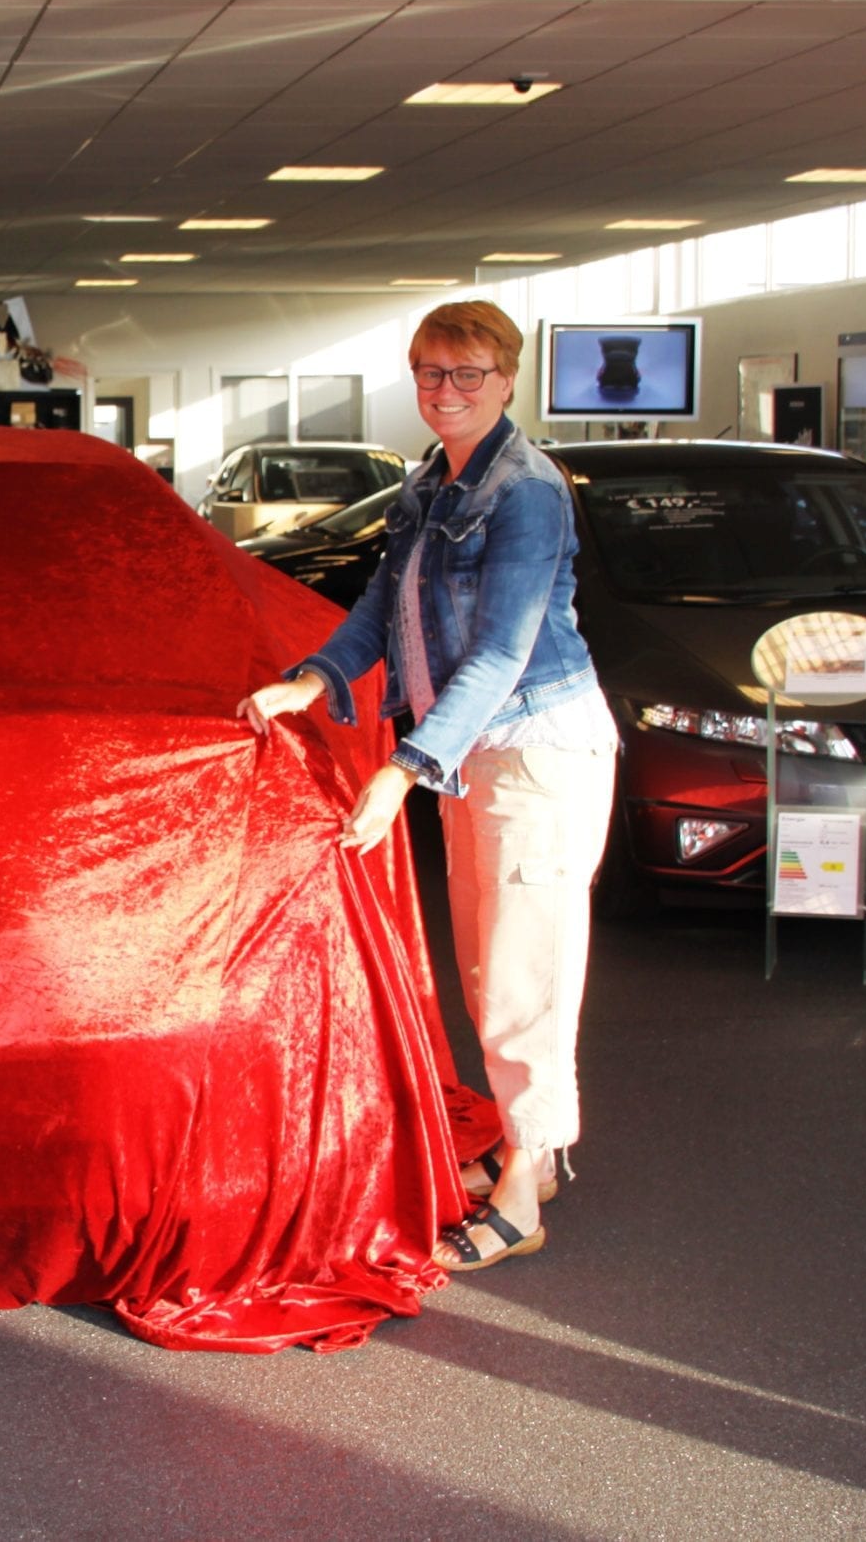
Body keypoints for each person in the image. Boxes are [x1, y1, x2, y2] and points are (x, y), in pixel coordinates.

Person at [239, 300, 615, 1275]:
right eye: (430, 373)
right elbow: (382, 601)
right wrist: (313, 678)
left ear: (507, 380)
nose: (445, 391)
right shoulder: (430, 481)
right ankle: (532, 1150)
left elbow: (501, 649)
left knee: (526, 975)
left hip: (535, 749)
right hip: (475, 750)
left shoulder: (525, 491)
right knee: (489, 965)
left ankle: (523, 1190)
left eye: (466, 374)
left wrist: (403, 768)